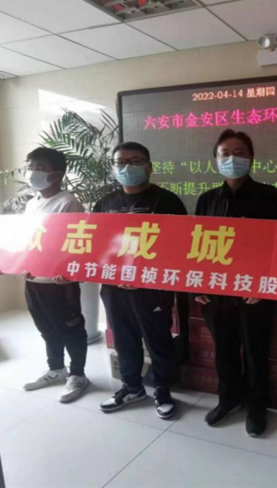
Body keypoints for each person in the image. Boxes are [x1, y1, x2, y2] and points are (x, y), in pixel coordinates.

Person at [193, 129, 277, 437]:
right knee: (224, 350)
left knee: (256, 352)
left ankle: (257, 407)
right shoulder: (207, 199)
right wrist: (198, 286)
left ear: (252, 158)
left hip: (254, 294)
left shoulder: (270, 197)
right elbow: (197, 246)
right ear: (215, 160)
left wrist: (264, 287)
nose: (232, 159)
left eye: (239, 152)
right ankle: (228, 399)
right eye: (225, 154)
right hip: (216, 294)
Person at [94, 141, 187, 420]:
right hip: (114, 287)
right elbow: (96, 246)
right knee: (124, 339)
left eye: (134, 161)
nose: (127, 167)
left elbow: (179, 248)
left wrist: (144, 276)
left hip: (151, 288)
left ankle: (163, 389)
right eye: (120, 162)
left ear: (149, 167)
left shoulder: (167, 201)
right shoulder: (105, 203)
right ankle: (132, 387)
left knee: (158, 339)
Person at [0, 147, 90, 403]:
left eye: (39, 168)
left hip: (59, 283)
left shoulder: (68, 202)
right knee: (46, 328)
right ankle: (56, 368)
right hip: (33, 279)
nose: (32, 172)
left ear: (57, 173)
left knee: (70, 329)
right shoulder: (32, 204)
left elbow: (77, 244)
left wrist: (70, 274)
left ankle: (78, 375)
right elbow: (28, 242)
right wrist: (6, 263)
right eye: (31, 167)